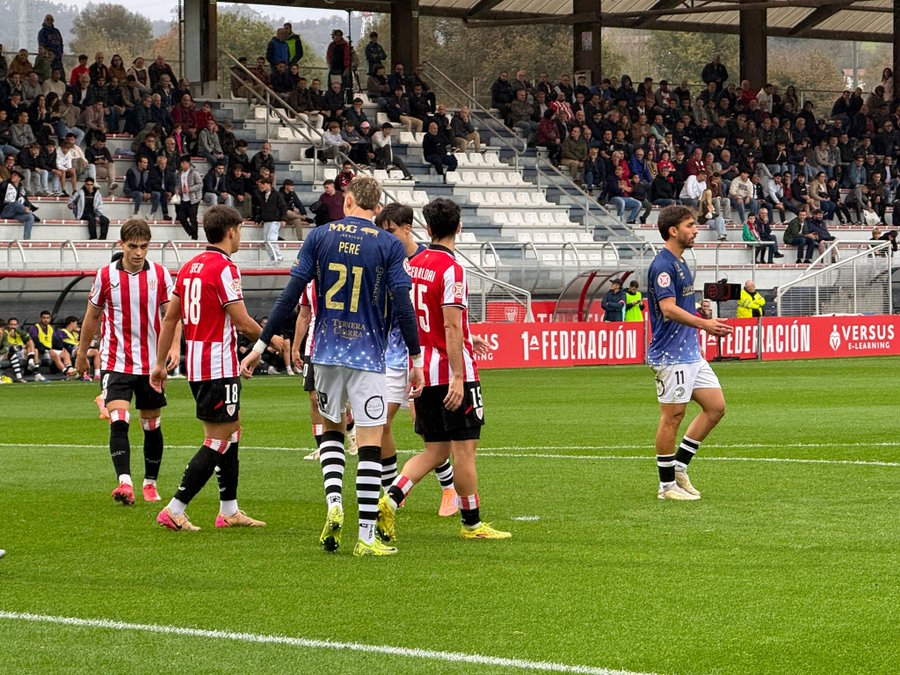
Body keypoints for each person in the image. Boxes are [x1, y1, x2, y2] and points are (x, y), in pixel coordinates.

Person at [240, 177, 425, 557]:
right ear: (376, 208)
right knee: (370, 440)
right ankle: (366, 535)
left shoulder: (320, 237)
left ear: (350, 200)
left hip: (324, 354)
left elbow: (291, 296)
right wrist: (416, 357)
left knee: (331, 431)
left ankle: (334, 503)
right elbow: (404, 307)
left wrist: (260, 346)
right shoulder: (389, 244)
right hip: (368, 357)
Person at [376, 197, 510, 544]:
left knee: (435, 451)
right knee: (464, 451)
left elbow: (427, 319)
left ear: (427, 229)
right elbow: (449, 327)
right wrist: (457, 375)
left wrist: (468, 334)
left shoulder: (413, 265)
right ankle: (471, 524)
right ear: (459, 227)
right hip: (451, 372)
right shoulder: (451, 269)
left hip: (419, 369)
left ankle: (390, 497)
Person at [151, 206, 267, 532]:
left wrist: (160, 364)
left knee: (232, 429)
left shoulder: (190, 267)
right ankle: (175, 508)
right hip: (218, 364)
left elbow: (170, 319)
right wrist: (274, 341)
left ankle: (229, 509)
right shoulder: (224, 268)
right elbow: (242, 321)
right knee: (218, 438)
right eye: (240, 230)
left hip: (197, 365)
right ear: (231, 231)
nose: (240, 236)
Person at [74, 219, 177, 505]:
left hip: (151, 365)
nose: (138, 252)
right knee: (119, 421)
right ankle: (125, 483)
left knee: (151, 426)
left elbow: (172, 315)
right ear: (121, 245)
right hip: (116, 361)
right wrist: (82, 354)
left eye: (143, 246)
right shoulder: (106, 275)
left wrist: (175, 347)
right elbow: (92, 317)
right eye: (133, 246)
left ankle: (150, 483)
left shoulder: (160, 274)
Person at [374, 202, 460, 517]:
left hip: (420, 358)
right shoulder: (386, 262)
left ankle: (449, 490)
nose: (386, 238)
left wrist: (467, 334)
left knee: (426, 432)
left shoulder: (425, 261)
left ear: (407, 229)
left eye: (391, 231)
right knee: (381, 422)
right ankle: (392, 491)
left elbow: (448, 308)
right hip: (391, 354)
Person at [647, 205, 732, 501]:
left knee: (716, 407)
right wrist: (705, 324)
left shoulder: (681, 262)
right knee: (672, 417)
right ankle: (666, 486)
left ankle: (679, 467)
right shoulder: (663, 266)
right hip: (670, 356)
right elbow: (667, 310)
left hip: (690, 353)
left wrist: (698, 313)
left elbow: (679, 306)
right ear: (673, 231)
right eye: (690, 225)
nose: (695, 230)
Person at [29, 310, 76, 377]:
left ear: (50, 319)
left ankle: (70, 368)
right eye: (44, 318)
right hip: (40, 350)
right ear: (40, 318)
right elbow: (36, 342)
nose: (46, 320)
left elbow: (55, 340)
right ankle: (66, 373)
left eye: (48, 318)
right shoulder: (35, 328)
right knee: (54, 355)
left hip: (49, 350)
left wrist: (61, 347)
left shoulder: (50, 328)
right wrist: (48, 349)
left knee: (65, 353)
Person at [253, 176, 287, 262]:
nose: (262, 186)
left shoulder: (277, 195)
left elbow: (283, 206)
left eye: (264, 184)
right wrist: (259, 219)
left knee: (271, 239)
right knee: (266, 241)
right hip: (267, 221)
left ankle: (278, 256)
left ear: (269, 185)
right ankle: (273, 257)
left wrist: (283, 219)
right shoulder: (263, 196)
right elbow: (262, 209)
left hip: (275, 220)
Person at [2, 317, 42, 382]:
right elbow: (8, 347)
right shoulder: (5, 333)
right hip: (12, 353)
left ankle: (31, 362)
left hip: (20, 352)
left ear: (17, 325)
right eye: (11, 325)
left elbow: (29, 337)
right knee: (34, 350)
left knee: (33, 346)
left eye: (14, 325)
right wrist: (21, 346)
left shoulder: (18, 332)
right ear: (8, 325)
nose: (13, 327)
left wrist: (19, 331)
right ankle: (36, 373)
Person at [1, 170, 37, 239]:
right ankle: (25, 210)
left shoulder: (22, 190)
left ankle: (26, 239)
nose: (12, 176)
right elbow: (2, 187)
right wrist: (24, 209)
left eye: (15, 175)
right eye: (12, 175)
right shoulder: (5, 184)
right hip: (5, 212)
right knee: (16, 203)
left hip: (16, 213)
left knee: (30, 217)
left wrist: (28, 207)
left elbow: (27, 202)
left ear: (19, 178)